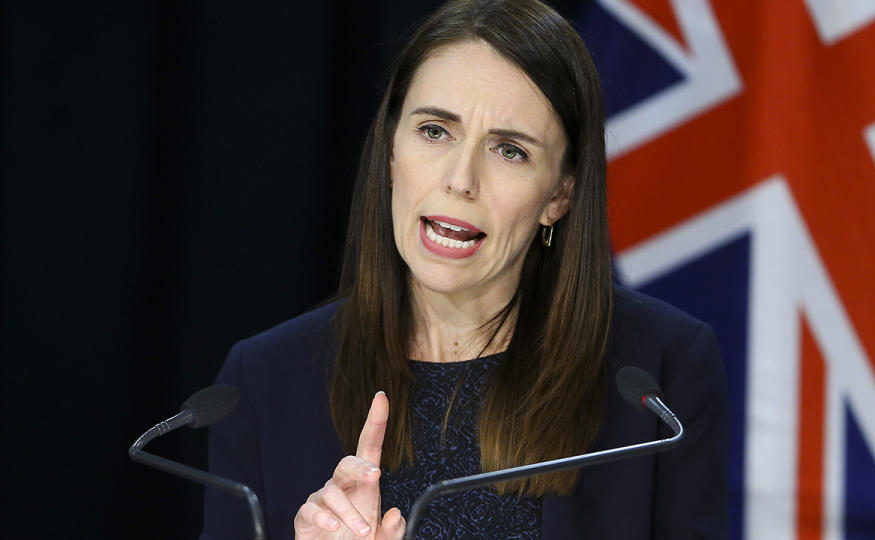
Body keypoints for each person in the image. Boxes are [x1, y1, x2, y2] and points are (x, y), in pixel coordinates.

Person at [200, 0, 729, 538]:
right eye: (435, 131)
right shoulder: (264, 383)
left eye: (510, 150)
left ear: (561, 195)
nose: (461, 179)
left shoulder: (657, 379)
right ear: (389, 151)